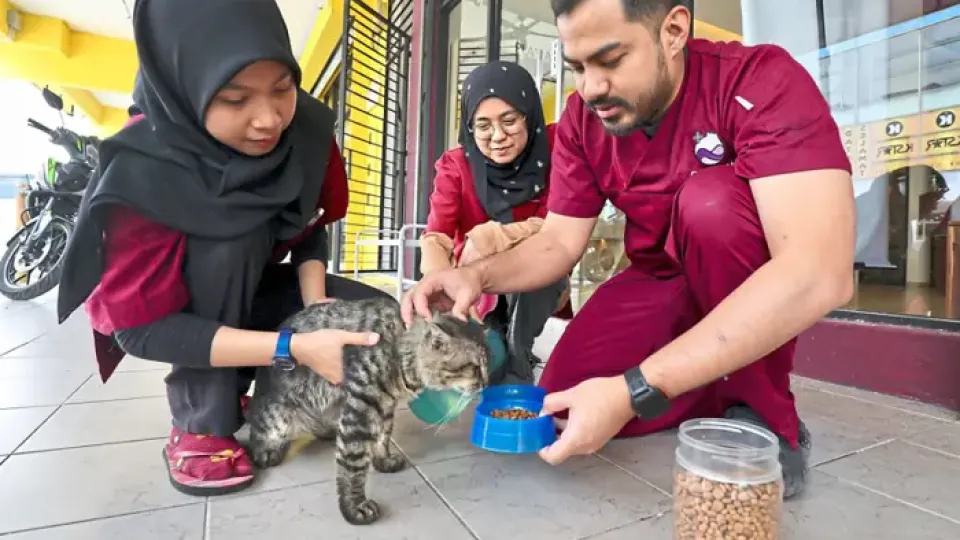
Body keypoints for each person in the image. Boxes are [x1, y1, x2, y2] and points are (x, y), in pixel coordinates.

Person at [402, 0, 855, 499]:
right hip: (659, 278)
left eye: (611, 60)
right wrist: (478, 277)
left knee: (711, 205)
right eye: (577, 67)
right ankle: (708, 375)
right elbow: (557, 241)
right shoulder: (581, 120)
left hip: (736, 268)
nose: (591, 88)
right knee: (561, 405)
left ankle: (764, 412)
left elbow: (819, 271)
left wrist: (633, 389)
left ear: (674, 31)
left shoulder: (759, 81)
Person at [57, 0, 388, 496]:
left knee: (376, 316)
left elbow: (307, 226)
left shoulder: (304, 133)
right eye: (235, 100)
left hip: (253, 286)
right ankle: (202, 420)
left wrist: (317, 307)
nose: (268, 119)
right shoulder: (142, 171)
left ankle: (296, 400)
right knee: (229, 243)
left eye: (283, 89)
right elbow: (142, 329)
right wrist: (291, 346)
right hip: (181, 308)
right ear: (185, 89)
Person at [420, 60, 571, 384]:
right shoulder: (457, 165)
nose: (498, 136)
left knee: (512, 362)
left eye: (510, 120)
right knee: (486, 361)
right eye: (483, 125)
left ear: (529, 116)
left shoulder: (557, 150)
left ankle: (519, 360)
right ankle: (499, 355)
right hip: (475, 290)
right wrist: (438, 282)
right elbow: (437, 236)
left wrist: (493, 236)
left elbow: (560, 224)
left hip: (541, 282)